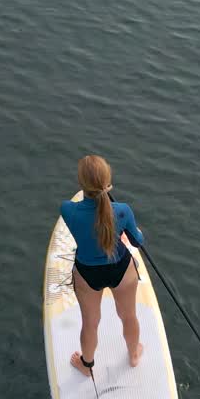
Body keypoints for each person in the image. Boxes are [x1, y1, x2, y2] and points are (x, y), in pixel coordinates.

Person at [59, 155, 146, 377]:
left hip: (88, 274)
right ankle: (134, 354)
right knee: (129, 316)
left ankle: (86, 366)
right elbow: (137, 241)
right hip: (121, 270)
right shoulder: (123, 210)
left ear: (81, 185)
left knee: (90, 323)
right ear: (108, 183)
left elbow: (87, 217)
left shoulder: (68, 210)